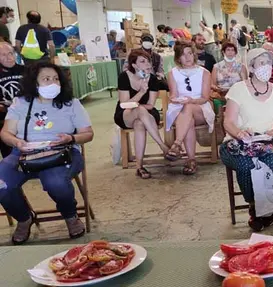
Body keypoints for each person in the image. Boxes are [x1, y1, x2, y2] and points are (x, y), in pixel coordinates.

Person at [0, 62, 94, 244]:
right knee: (1, 184)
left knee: (56, 182)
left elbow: (88, 134)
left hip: (61, 152)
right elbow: (5, 133)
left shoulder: (71, 104)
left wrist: (70, 138)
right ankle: (24, 218)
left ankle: (70, 215)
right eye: (46, 79)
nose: (52, 83)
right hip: (23, 153)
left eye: (56, 79)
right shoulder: (20, 103)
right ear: (34, 83)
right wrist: (17, 142)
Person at [220, 48, 273, 232]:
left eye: (268, 63)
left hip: (266, 141)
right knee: (245, 164)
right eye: (261, 63)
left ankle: (265, 207)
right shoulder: (238, 89)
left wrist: (271, 133)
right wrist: (239, 133)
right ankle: (255, 206)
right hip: (237, 142)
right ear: (251, 67)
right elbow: (228, 121)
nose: (266, 67)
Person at [115, 49, 168, 179]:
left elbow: (150, 104)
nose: (147, 64)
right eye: (143, 61)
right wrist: (141, 92)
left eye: (148, 61)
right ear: (134, 65)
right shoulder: (124, 76)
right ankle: (163, 146)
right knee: (138, 110)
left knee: (139, 122)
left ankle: (139, 166)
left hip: (147, 113)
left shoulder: (153, 79)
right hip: (125, 113)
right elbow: (125, 104)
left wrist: (139, 106)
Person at [165, 40, 215, 175]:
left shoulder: (204, 72)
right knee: (188, 119)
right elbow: (174, 94)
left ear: (194, 55)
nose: (187, 57)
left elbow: (205, 97)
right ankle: (191, 160)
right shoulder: (172, 73)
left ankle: (177, 144)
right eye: (183, 54)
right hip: (179, 109)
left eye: (189, 53)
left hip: (201, 106)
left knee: (188, 108)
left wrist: (191, 100)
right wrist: (174, 99)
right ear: (177, 57)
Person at [0, 42, 23, 157]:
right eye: (3, 55)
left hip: (26, 113)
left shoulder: (27, 71)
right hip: (3, 115)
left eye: (10, 53)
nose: (8, 58)